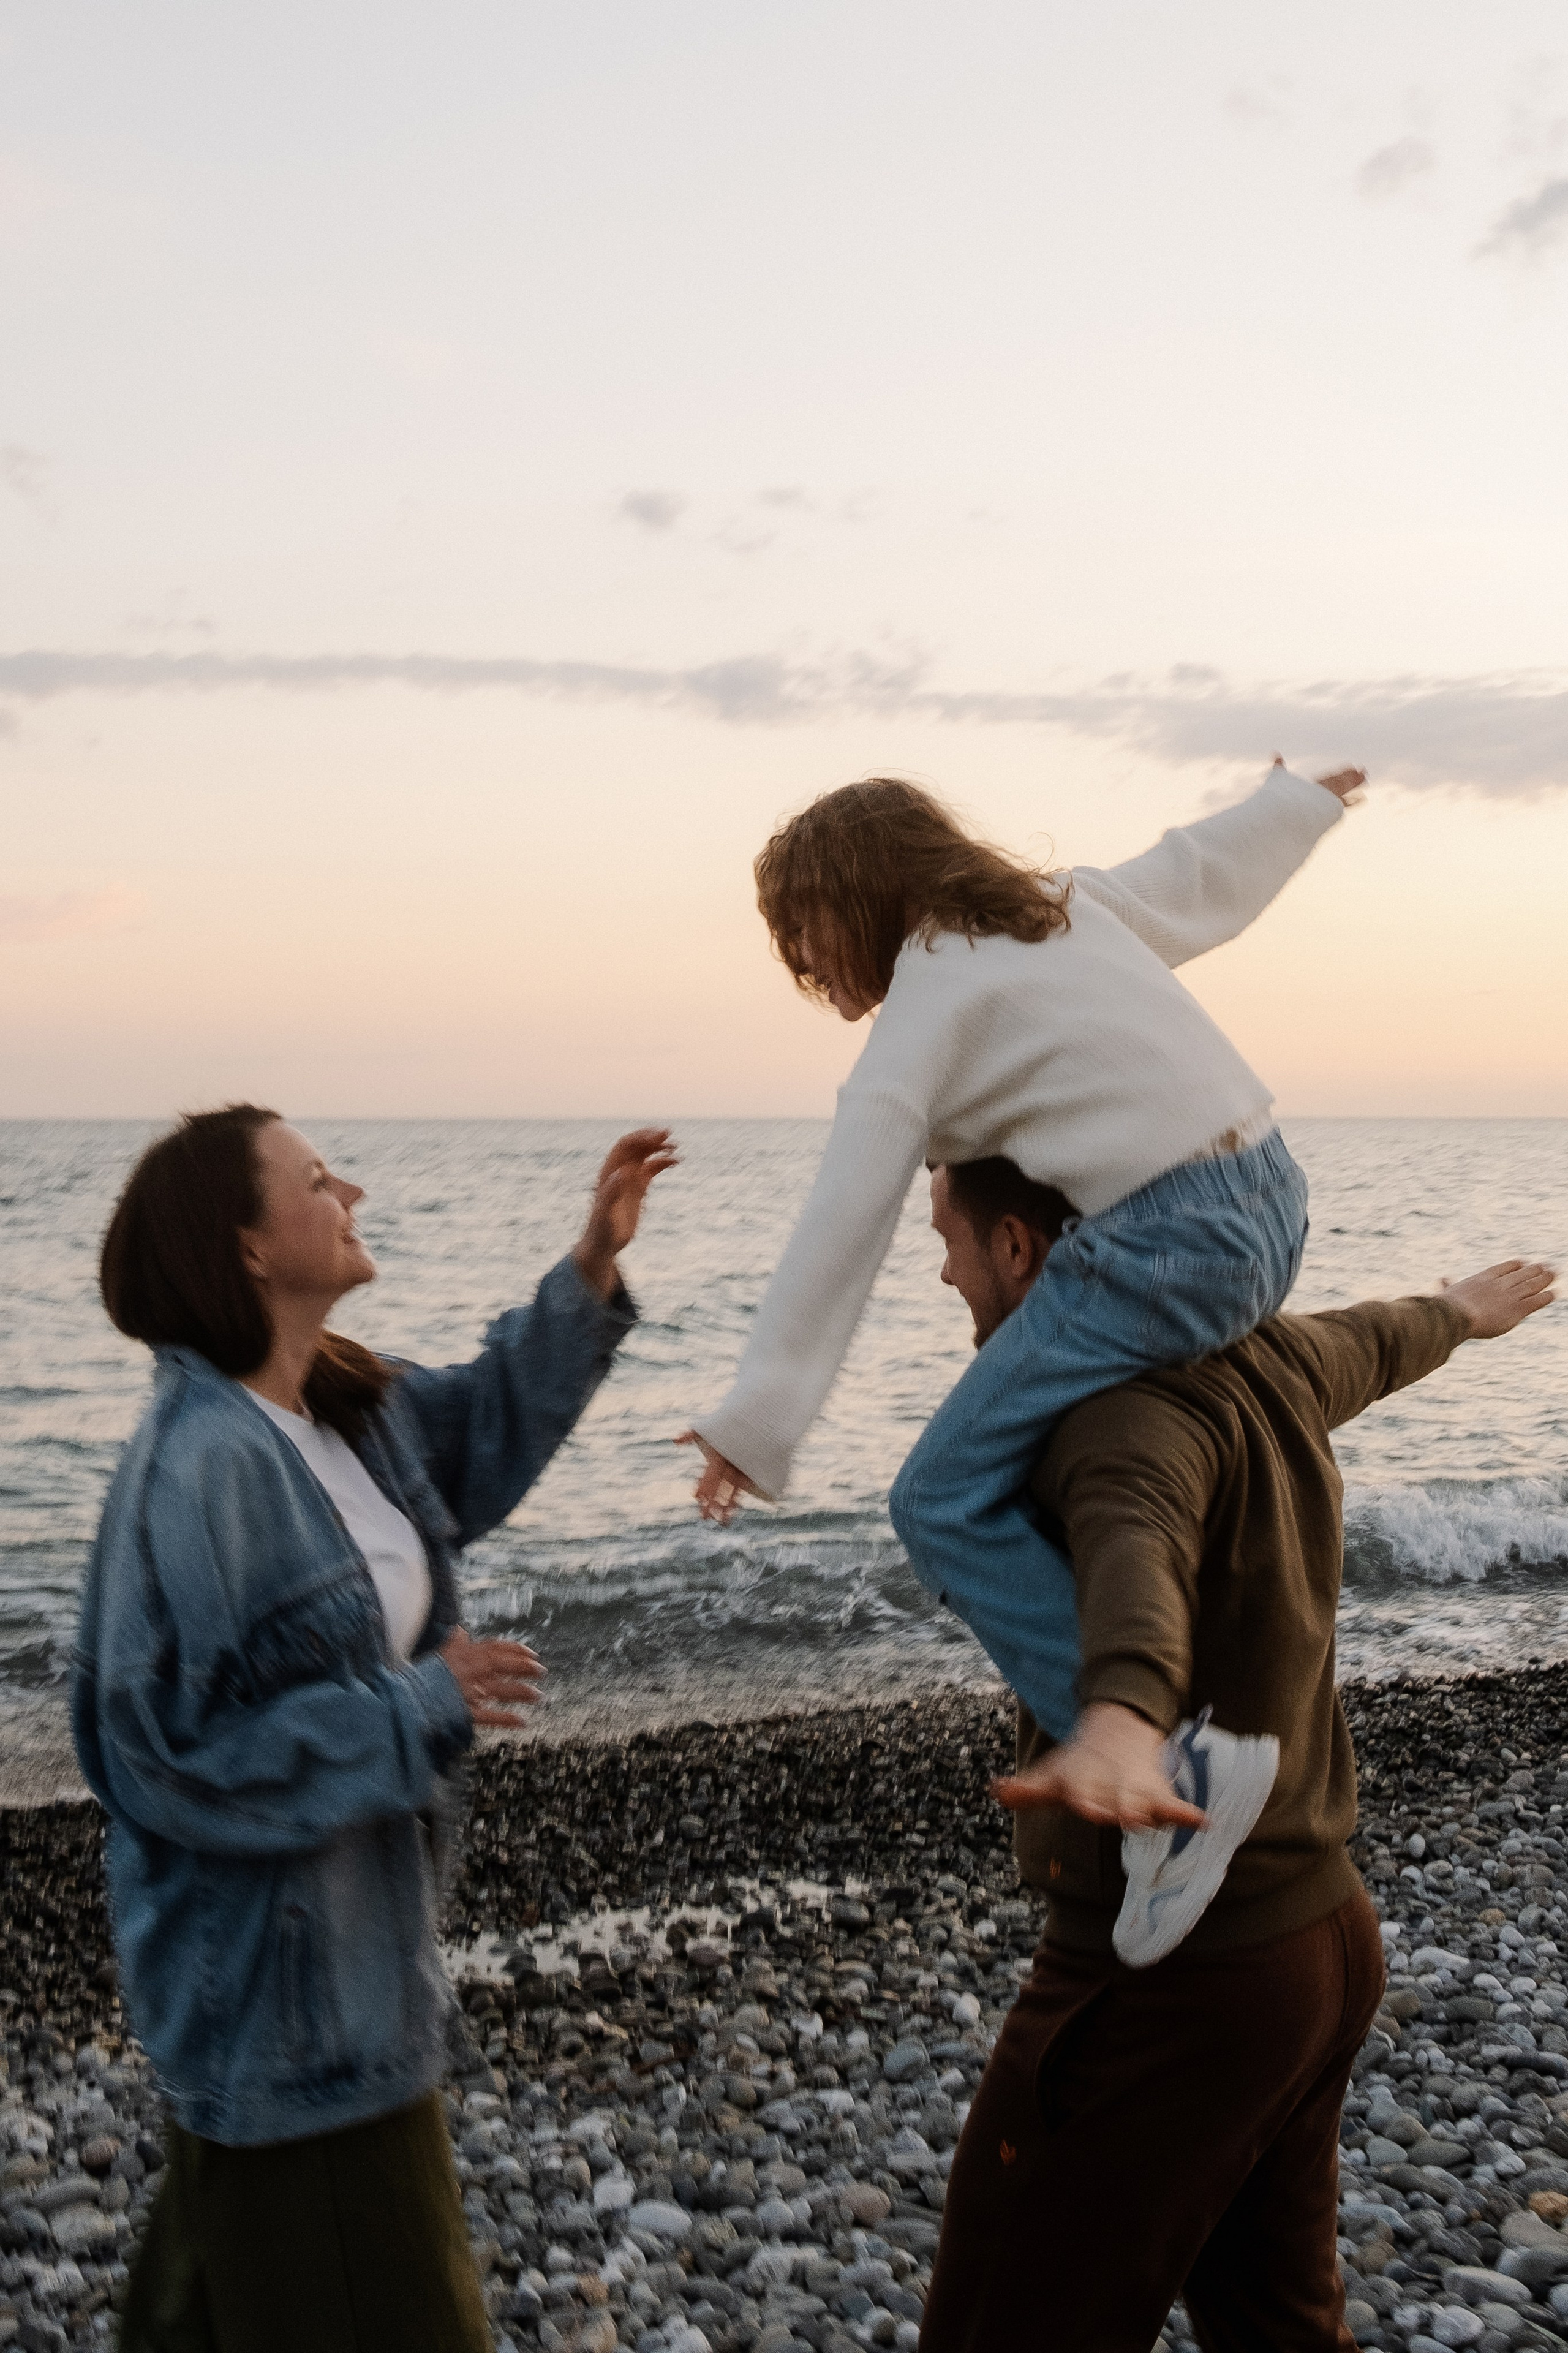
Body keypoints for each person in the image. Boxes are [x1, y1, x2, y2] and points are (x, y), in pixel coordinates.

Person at [915, 1152, 1555, 2351]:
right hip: (1316, 1945)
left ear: (1017, 1247)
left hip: (1171, 1982)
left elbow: (1137, 1560)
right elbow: (1369, 1341)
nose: (940, 1271)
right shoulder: (1260, 1354)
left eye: (947, 1238)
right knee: (1279, 2329)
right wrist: (1455, 1313)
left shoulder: (1115, 1416)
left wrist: (1120, 1712)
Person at [72, 1106, 674, 2353]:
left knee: (210, 2305)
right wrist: (416, 1704)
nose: (349, 1189)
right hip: (289, 2019)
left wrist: (591, 1264)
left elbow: (484, 1424)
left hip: (352, 1978)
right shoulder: (197, 1467)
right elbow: (165, 1752)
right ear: (247, 1247)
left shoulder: (343, 1405)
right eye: (314, 1177)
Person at [679, 759, 1362, 1780]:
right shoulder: (1060, 905)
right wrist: (1297, 805)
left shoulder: (926, 998)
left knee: (939, 1498)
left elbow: (844, 1216)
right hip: (1277, 1201)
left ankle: (1154, 1749)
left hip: (1172, 1246)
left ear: (860, 892)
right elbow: (1198, 874)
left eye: (805, 926)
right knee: (1042, 1413)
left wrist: (757, 1418)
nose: (806, 957)